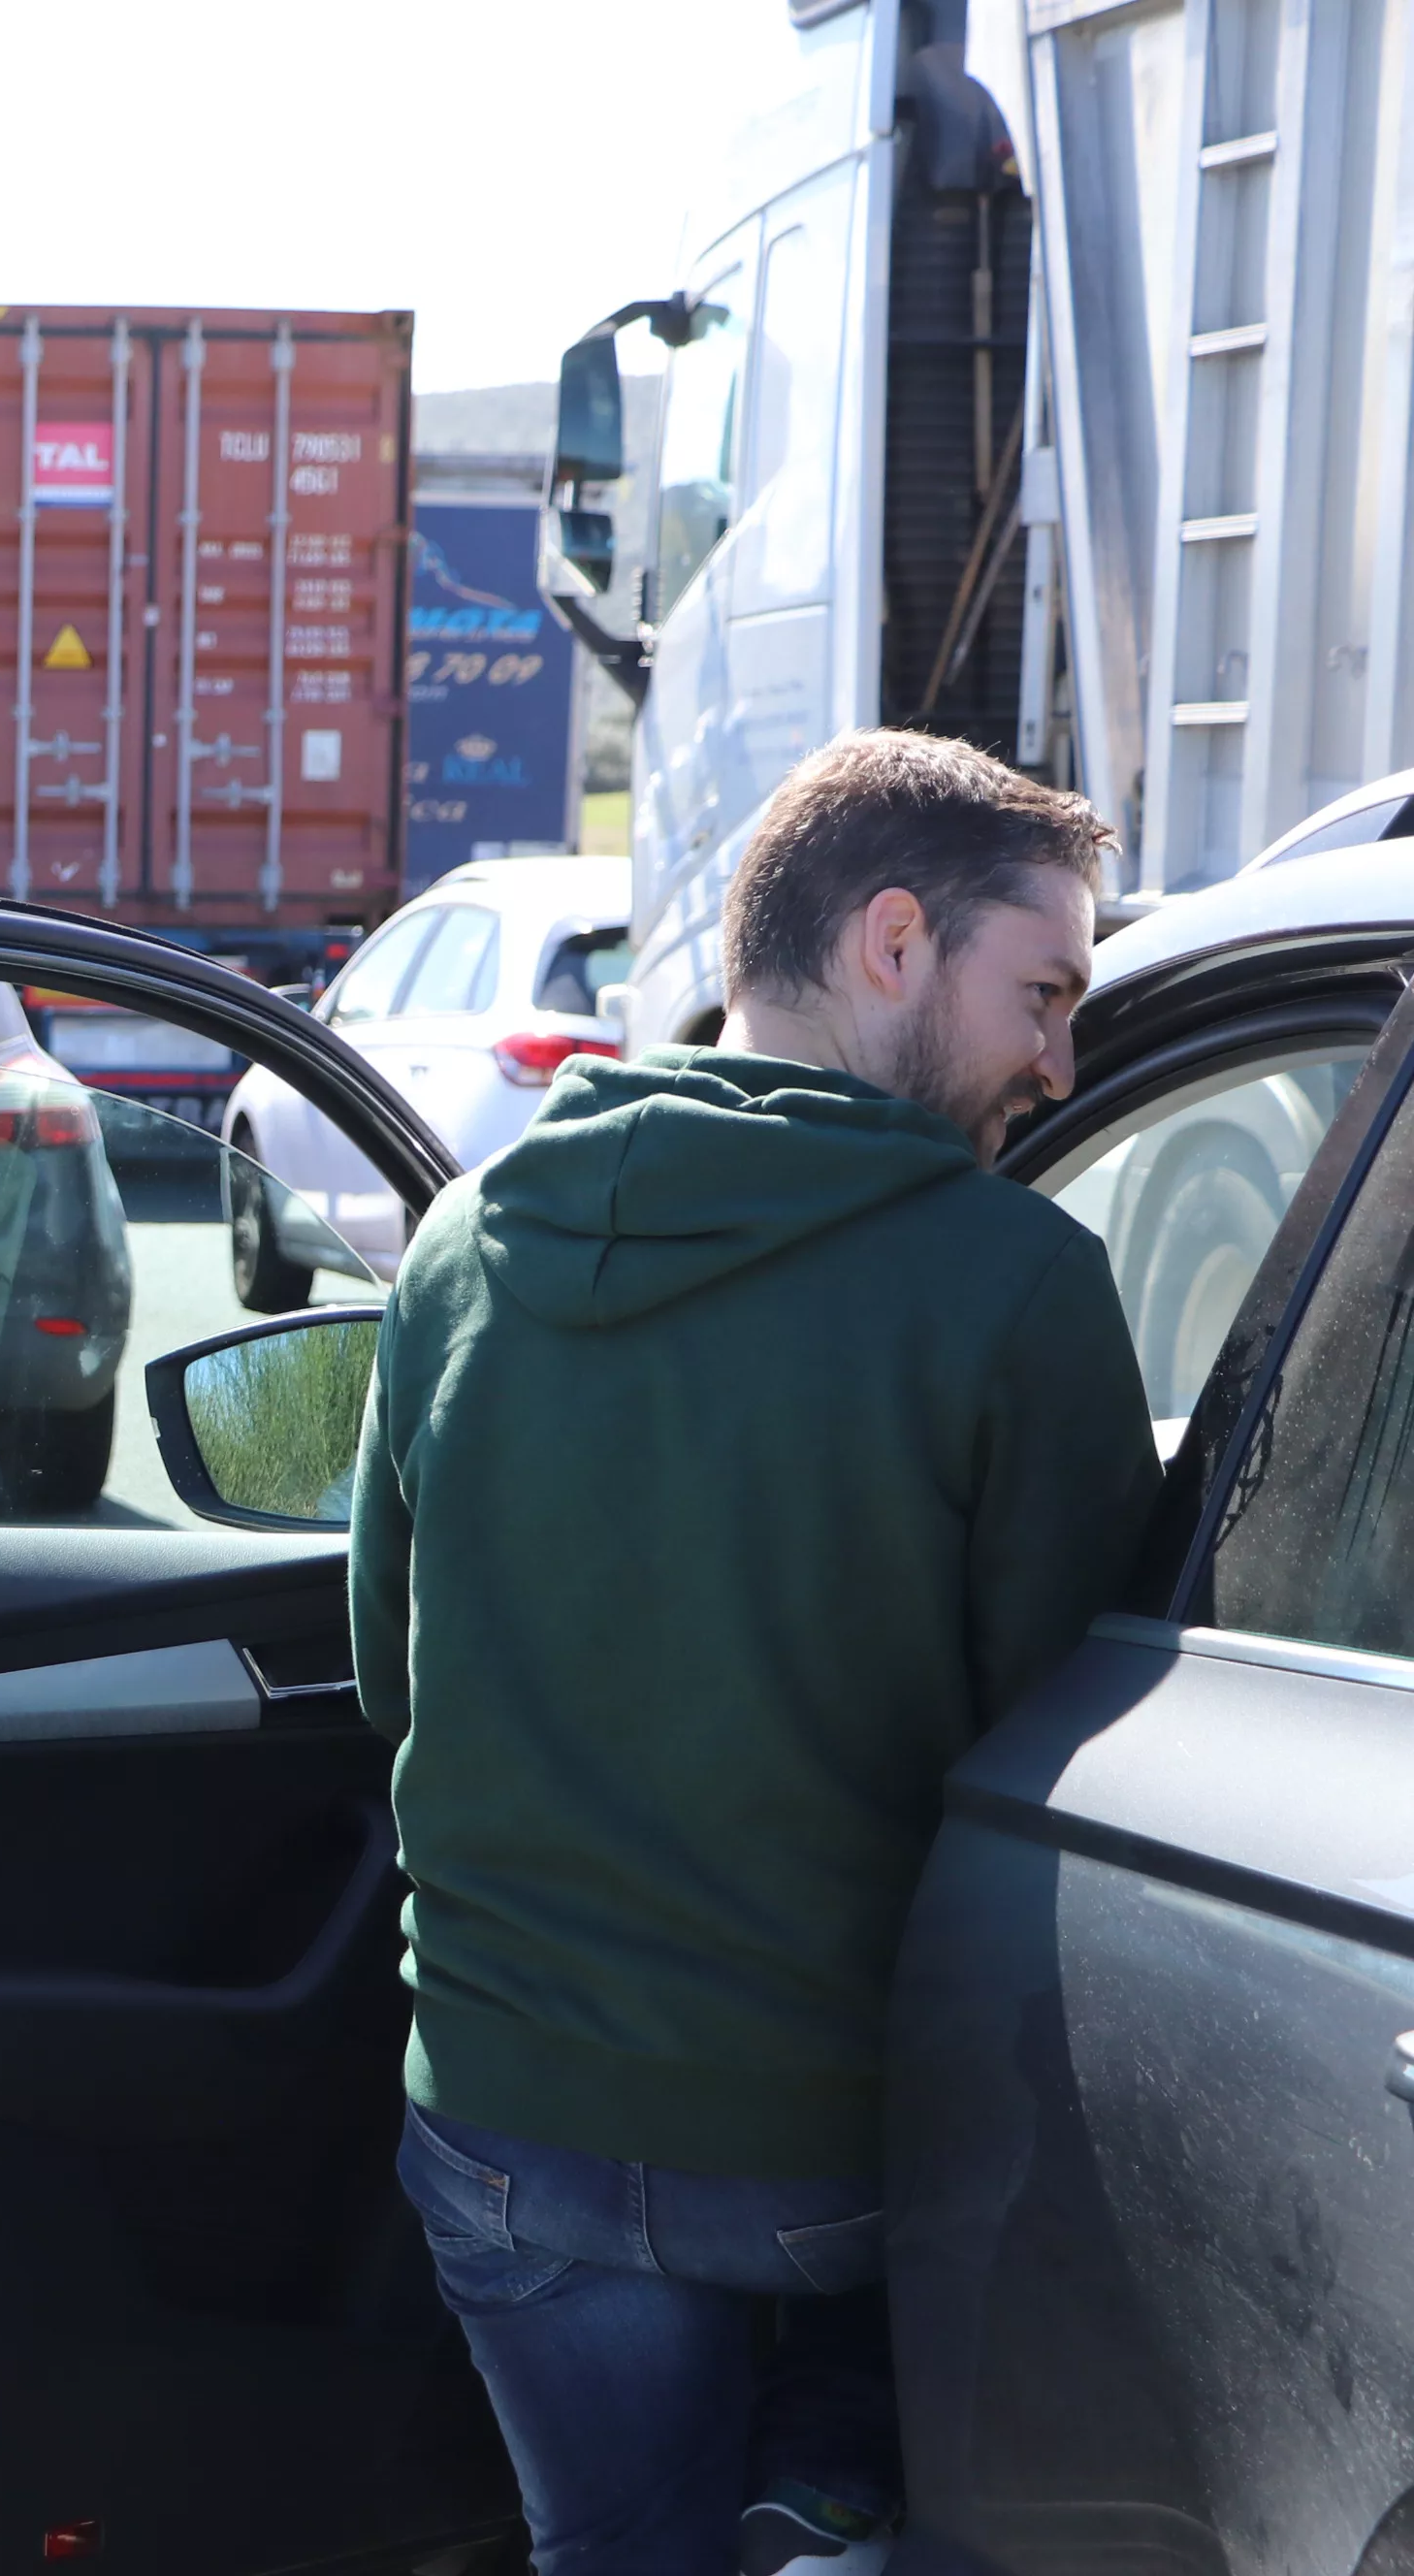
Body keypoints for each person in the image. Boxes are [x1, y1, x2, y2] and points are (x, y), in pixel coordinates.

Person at [347, 729, 1163, 2574]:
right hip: (832, 2153)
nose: (1055, 1063)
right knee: (933, 2302)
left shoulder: (466, 1241)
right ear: (892, 939)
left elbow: (393, 1686)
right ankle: (823, 2491)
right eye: (1038, 994)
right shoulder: (1011, 1285)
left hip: (502, 2135)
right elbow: (1061, 1780)